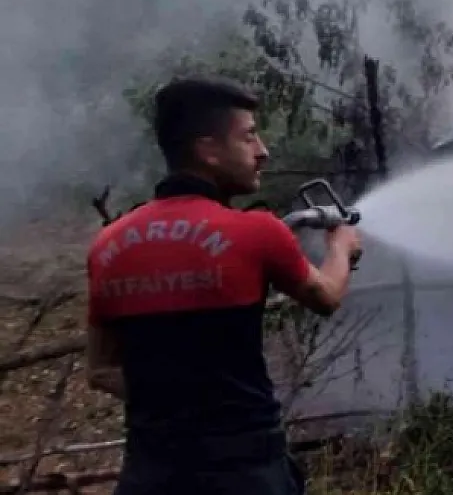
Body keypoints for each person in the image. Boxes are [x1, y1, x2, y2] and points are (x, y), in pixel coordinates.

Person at [84, 77, 362, 495]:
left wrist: (172, 404)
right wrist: (340, 248)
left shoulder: (108, 245)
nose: (263, 151)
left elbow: (101, 370)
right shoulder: (256, 232)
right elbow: (326, 296)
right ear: (208, 149)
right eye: (249, 137)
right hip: (246, 474)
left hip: (149, 476)